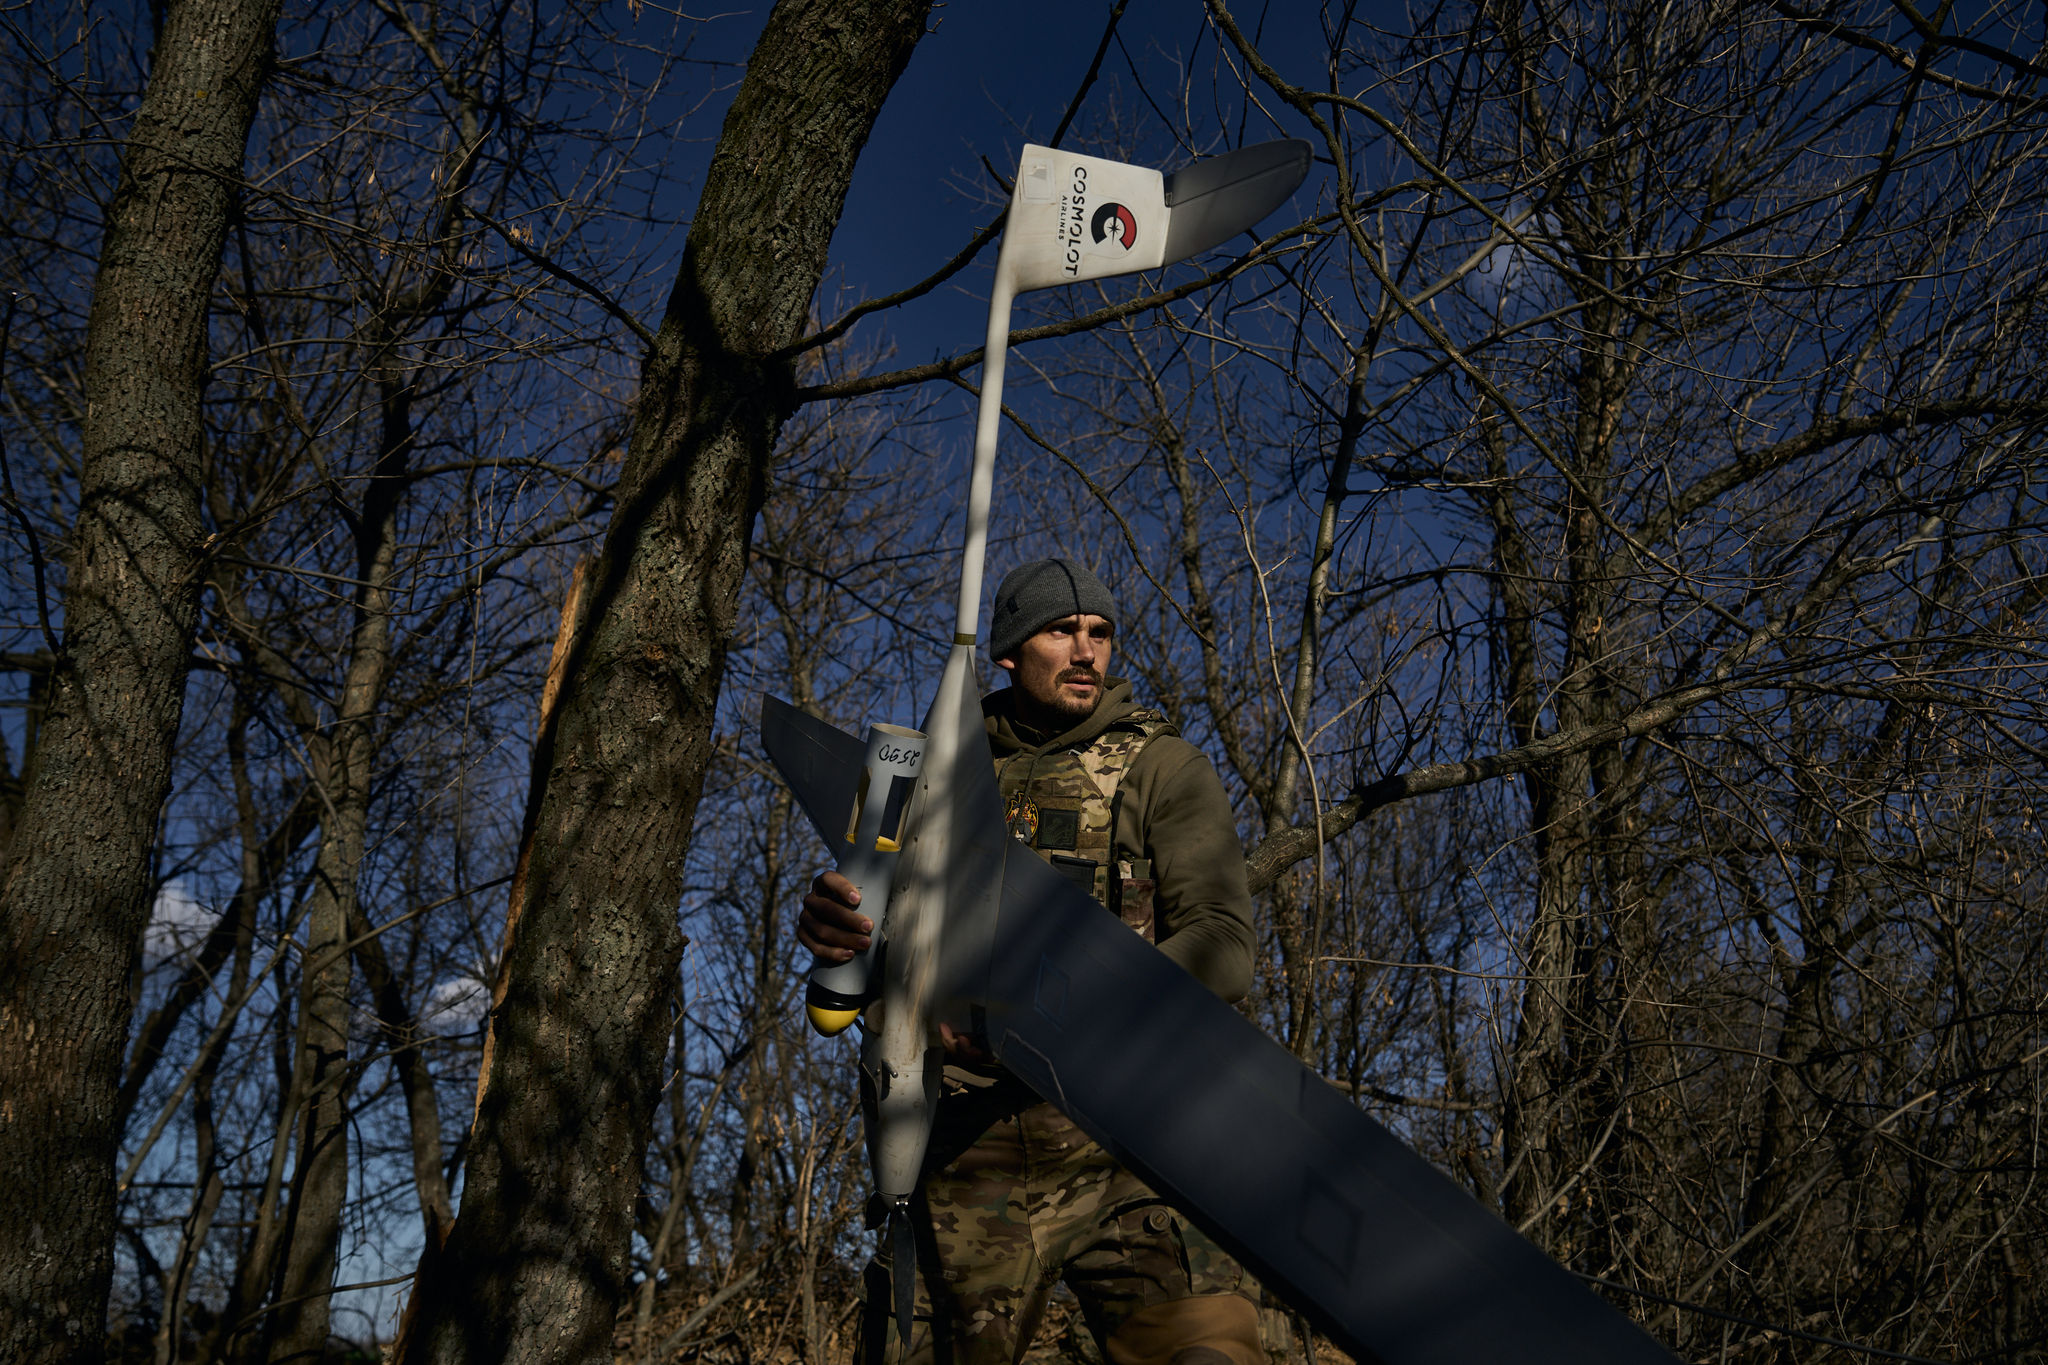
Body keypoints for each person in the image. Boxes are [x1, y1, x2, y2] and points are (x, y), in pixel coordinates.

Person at [798, 559, 1263, 1365]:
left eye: (1100, 633)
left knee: (1211, 1351)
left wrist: (1060, 1015)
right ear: (1009, 651)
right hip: (963, 1158)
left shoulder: (1162, 767)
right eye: (1061, 631)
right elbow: (877, 971)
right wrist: (842, 939)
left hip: (1126, 1144)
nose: (1086, 651)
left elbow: (1222, 943)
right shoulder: (929, 782)